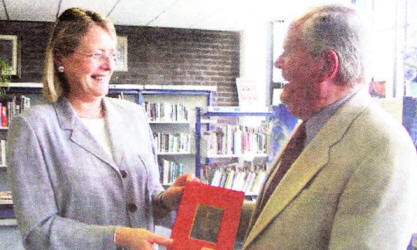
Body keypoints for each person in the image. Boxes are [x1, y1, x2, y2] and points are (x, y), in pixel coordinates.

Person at [6, 7, 194, 250]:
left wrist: (167, 200)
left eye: (112, 55)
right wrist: (117, 236)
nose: (109, 66)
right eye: (97, 54)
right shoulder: (33, 128)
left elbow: (145, 201)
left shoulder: (134, 116)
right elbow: (38, 230)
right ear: (60, 58)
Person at [239, 4, 417, 249]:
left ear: (326, 65)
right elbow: (279, 218)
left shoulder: (382, 148)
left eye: (288, 51)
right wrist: (195, 204)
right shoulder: (315, 127)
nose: (278, 63)